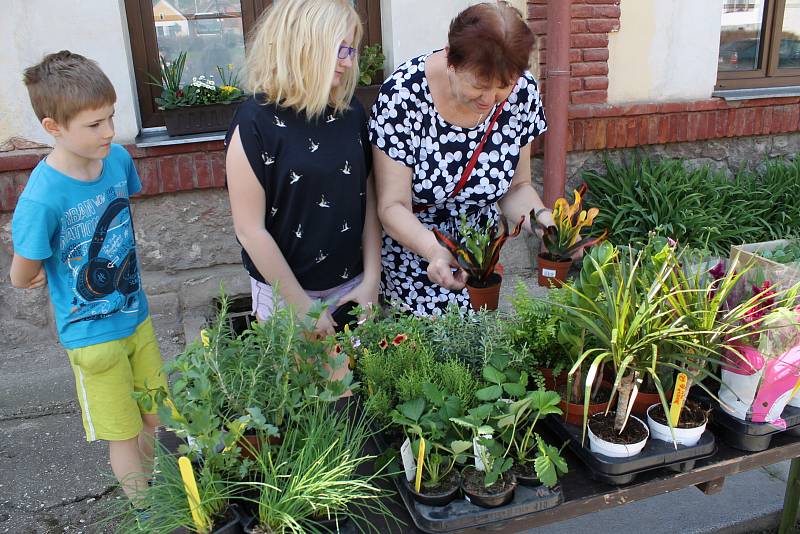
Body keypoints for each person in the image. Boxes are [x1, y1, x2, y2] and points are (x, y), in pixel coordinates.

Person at [10, 51, 165, 503]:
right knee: (123, 432)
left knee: (157, 419)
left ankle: (158, 493)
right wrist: (32, 275)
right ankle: (149, 515)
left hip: (136, 316)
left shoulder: (116, 160)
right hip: (91, 339)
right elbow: (21, 275)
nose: (110, 132)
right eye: (94, 124)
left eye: (111, 118)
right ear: (53, 127)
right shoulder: (41, 198)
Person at [370, 2, 555, 315]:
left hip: (480, 263)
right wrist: (434, 251)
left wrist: (548, 227)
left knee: (479, 352)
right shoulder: (402, 97)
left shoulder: (522, 94)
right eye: (479, 86)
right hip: (417, 261)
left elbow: (516, 188)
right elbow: (392, 206)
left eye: (502, 87)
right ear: (451, 60)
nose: (489, 100)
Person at [225, 0, 381, 337]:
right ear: (303, 44)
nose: (348, 61)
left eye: (351, 50)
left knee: (357, 387)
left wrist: (372, 280)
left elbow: (367, 202)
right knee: (304, 390)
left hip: (351, 288)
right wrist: (302, 306)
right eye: (339, 48)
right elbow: (250, 230)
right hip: (284, 295)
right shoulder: (254, 123)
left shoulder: (350, 113)